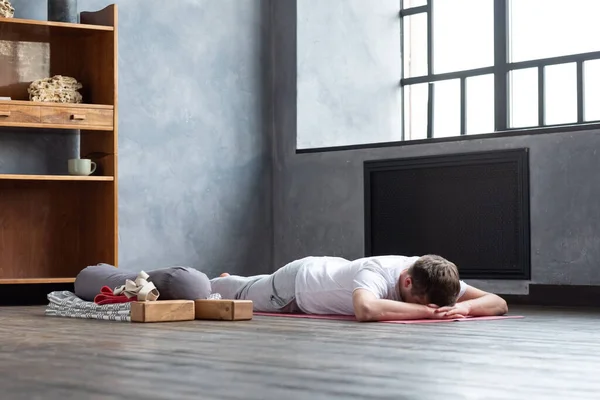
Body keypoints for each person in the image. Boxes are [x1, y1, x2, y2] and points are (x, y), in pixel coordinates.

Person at [210, 254, 508, 322]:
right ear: (406, 281)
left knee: (249, 285)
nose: (434, 307)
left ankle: (233, 278)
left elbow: (499, 302)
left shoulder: (436, 277)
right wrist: (428, 312)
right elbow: (365, 309)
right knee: (229, 293)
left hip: (326, 273)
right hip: (296, 286)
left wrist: (464, 306)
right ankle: (220, 280)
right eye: (425, 302)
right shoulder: (377, 272)